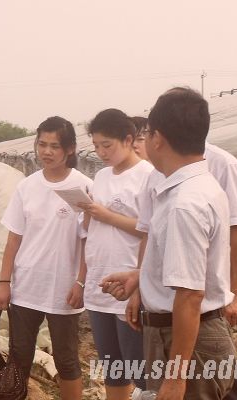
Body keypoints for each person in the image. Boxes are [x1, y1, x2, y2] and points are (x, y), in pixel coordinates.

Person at [103, 87, 237, 399]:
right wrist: (143, 276)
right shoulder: (197, 187)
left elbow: (190, 294)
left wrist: (176, 378)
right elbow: (195, 268)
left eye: (147, 132)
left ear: (158, 139)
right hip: (184, 336)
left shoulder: (184, 204)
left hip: (186, 342)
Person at [0, 116, 92, 400]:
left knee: (66, 359)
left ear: (70, 149)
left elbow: (89, 242)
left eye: (54, 146)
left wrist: (81, 282)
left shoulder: (84, 187)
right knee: (19, 355)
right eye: (42, 144)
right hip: (27, 287)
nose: (46, 152)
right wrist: (4, 283)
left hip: (64, 289)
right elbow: (14, 239)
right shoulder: (27, 186)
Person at [77, 109, 151, 399]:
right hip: (101, 281)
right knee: (113, 368)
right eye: (96, 146)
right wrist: (88, 212)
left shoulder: (147, 176)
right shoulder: (102, 176)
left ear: (128, 140)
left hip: (128, 284)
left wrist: (106, 215)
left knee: (139, 369)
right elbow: (92, 226)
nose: (101, 152)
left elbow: (150, 231)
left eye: (107, 145)